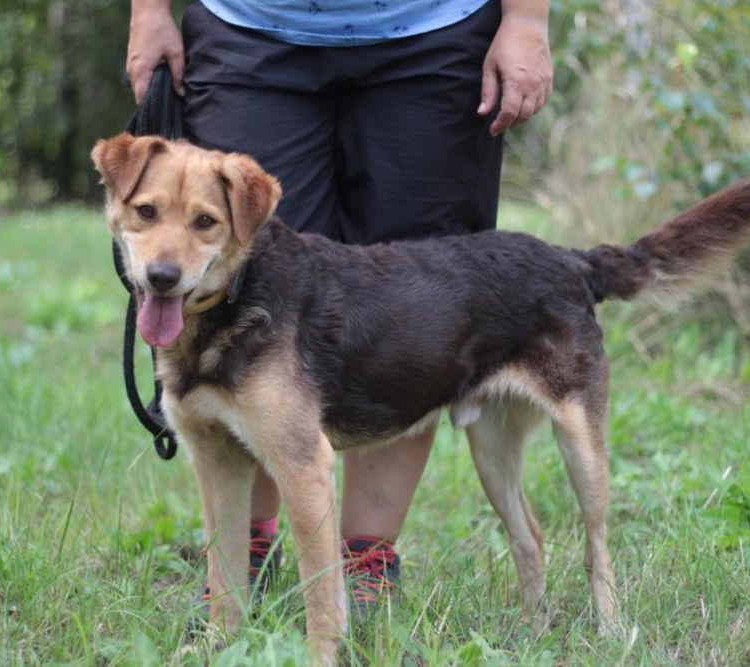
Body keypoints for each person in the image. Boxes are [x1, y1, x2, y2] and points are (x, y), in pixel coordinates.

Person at [126, 0, 553, 619]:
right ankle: (245, 554)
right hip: (249, 28)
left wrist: (527, 20)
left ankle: (366, 557)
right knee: (249, 285)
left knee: (414, 308)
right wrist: (148, 12)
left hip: (436, 30)